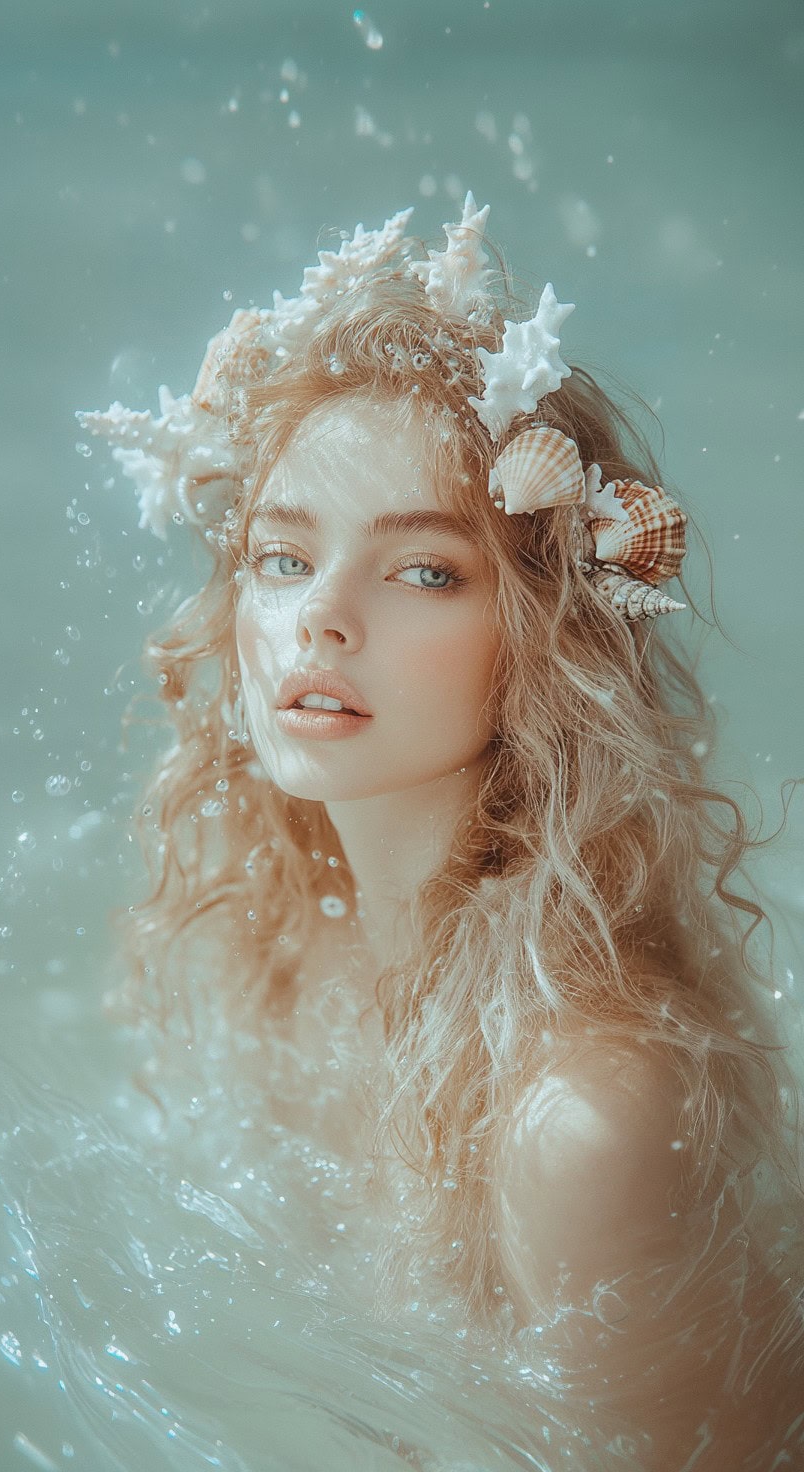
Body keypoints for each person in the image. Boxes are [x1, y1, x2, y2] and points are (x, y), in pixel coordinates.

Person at [78, 194, 804, 1469]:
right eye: (282, 557)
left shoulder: (582, 1117)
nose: (322, 621)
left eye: (423, 570)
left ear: (547, 639)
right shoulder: (278, 952)